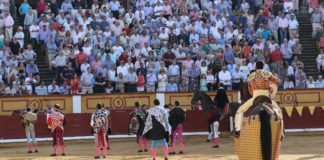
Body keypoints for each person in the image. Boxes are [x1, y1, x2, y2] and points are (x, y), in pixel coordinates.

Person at [234, 61, 280, 134]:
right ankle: (281, 131)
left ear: (255, 67)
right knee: (278, 110)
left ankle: (238, 130)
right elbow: (278, 81)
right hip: (266, 96)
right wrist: (272, 86)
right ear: (263, 67)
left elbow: (249, 89)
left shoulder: (251, 76)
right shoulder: (267, 73)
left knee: (240, 110)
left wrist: (253, 95)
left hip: (255, 96)